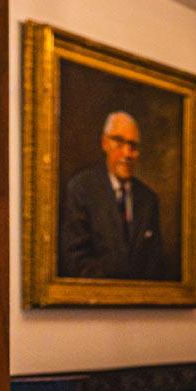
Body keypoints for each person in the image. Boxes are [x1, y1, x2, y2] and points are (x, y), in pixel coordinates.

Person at [57, 111, 167, 280]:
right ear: (104, 143)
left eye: (133, 146)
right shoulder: (81, 189)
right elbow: (74, 260)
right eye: (119, 142)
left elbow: (155, 264)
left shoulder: (148, 199)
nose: (127, 153)